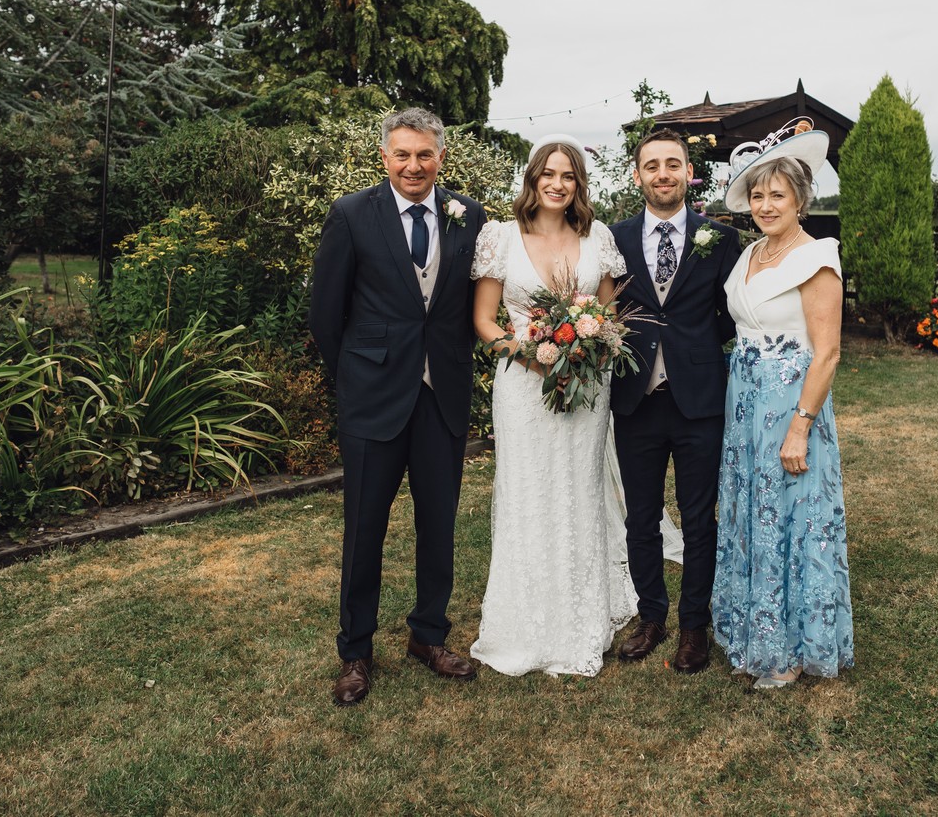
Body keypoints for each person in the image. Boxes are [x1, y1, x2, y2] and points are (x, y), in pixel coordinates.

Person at [309, 107, 489, 707]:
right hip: (373, 399)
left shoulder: (469, 217)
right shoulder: (353, 214)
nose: (414, 165)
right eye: (402, 154)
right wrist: (357, 377)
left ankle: (428, 635)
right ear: (384, 157)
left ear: (442, 156)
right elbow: (325, 314)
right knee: (365, 529)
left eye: (425, 154)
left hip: (442, 396)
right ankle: (355, 651)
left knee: (439, 525)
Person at [469, 136, 636, 676]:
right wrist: (533, 357)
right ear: (533, 179)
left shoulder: (598, 237)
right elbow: (485, 322)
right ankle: (525, 617)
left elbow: (611, 317)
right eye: (548, 174)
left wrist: (585, 350)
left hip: (586, 387)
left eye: (568, 175)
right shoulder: (500, 238)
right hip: (523, 389)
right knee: (529, 491)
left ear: (578, 183)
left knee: (578, 488)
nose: (557, 184)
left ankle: (583, 612)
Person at [713, 124, 854, 689]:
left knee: (793, 518)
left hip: (791, 404)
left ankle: (795, 645)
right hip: (744, 403)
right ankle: (755, 630)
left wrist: (800, 427)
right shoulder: (750, 252)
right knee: (753, 512)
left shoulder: (816, 259)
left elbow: (828, 354)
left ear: (800, 198)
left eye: (778, 195)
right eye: (757, 195)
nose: (765, 205)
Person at [608, 129, 742, 674]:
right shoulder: (612, 239)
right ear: (637, 175)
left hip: (699, 399)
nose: (662, 174)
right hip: (636, 398)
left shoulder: (720, 239)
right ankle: (651, 616)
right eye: (651, 166)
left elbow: (733, 312)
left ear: (689, 173)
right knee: (640, 517)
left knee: (697, 517)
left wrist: (695, 345)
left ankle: (693, 626)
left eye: (672, 165)